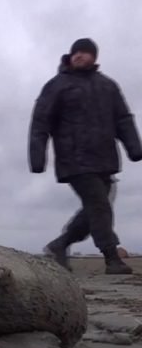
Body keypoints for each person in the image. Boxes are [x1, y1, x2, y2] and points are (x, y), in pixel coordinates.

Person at [29, 38, 142, 275]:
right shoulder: (57, 85)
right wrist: (37, 158)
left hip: (105, 158)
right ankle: (111, 257)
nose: (79, 56)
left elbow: (123, 118)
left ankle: (59, 245)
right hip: (74, 158)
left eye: (85, 52)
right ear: (70, 56)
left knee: (94, 209)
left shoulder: (107, 85)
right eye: (75, 52)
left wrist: (134, 147)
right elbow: (41, 122)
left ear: (94, 57)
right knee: (100, 206)